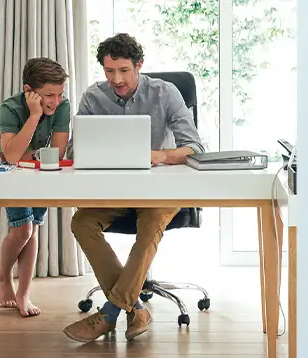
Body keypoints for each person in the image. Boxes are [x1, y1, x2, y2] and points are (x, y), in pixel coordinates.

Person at [62, 33, 204, 342]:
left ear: (139, 65)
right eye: (110, 71)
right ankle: (134, 307)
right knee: (82, 221)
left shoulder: (166, 93)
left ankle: (109, 313)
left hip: (160, 192)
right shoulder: (93, 97)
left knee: (152, 220)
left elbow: (194, 148)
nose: (116, 78)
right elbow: (74, 151)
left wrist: (160, 156)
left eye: (124, 70)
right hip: (114, 190)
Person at [0, 57, 71, 317]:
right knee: (22, 230)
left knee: (31, 230)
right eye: (48, 95)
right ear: (28, 91)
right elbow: (11, 158)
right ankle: (3, 278)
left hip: (40, 174)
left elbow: (56, 152)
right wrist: (34, 116)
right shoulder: (10, 108)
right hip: (14, 175)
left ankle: (24, 293)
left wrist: (21, 154)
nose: (55, 101)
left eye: (59, 94)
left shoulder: (62, 107)